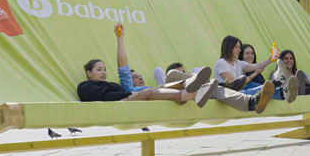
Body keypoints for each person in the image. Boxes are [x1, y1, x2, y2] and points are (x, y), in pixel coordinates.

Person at [78, 24, 219, 106]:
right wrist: (130, 93)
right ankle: (188, 94)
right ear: (89, 73)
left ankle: (197, 85)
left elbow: (123, 72)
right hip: (128, 99)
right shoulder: (85, 86)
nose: (103, 72)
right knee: (150, 91)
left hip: (133, 94)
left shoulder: (113, 85)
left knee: (164, 86)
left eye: (105, 69)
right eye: (99, 70)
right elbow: (104, 97)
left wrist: (120, 38)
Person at [215, 35, 299, 103]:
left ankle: (283, 92)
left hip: (239, 93)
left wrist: (269, 60)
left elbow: (256, 66)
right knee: (256, 89)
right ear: (230, 48)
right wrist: (254, 74)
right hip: (230, 95)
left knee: (259, 89)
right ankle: (278, 82)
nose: (239, 50)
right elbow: (235, 84)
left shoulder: (238, 63)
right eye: (237, 47)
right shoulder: (221, 63)